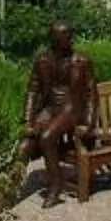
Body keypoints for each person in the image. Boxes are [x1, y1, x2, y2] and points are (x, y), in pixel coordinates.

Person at [23, 21, 98, 207]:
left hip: (71, 109)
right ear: (55, 39)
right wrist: (28, 121)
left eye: (70, 34)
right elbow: (32, 91)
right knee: (24, 145)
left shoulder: (82, 61)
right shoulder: (42, 61)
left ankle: (56, 187)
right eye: (66, 35)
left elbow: (91, 93)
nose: (71, 38)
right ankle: (7, 191)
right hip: (49, 109)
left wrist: (89, 123)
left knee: (47, 137)